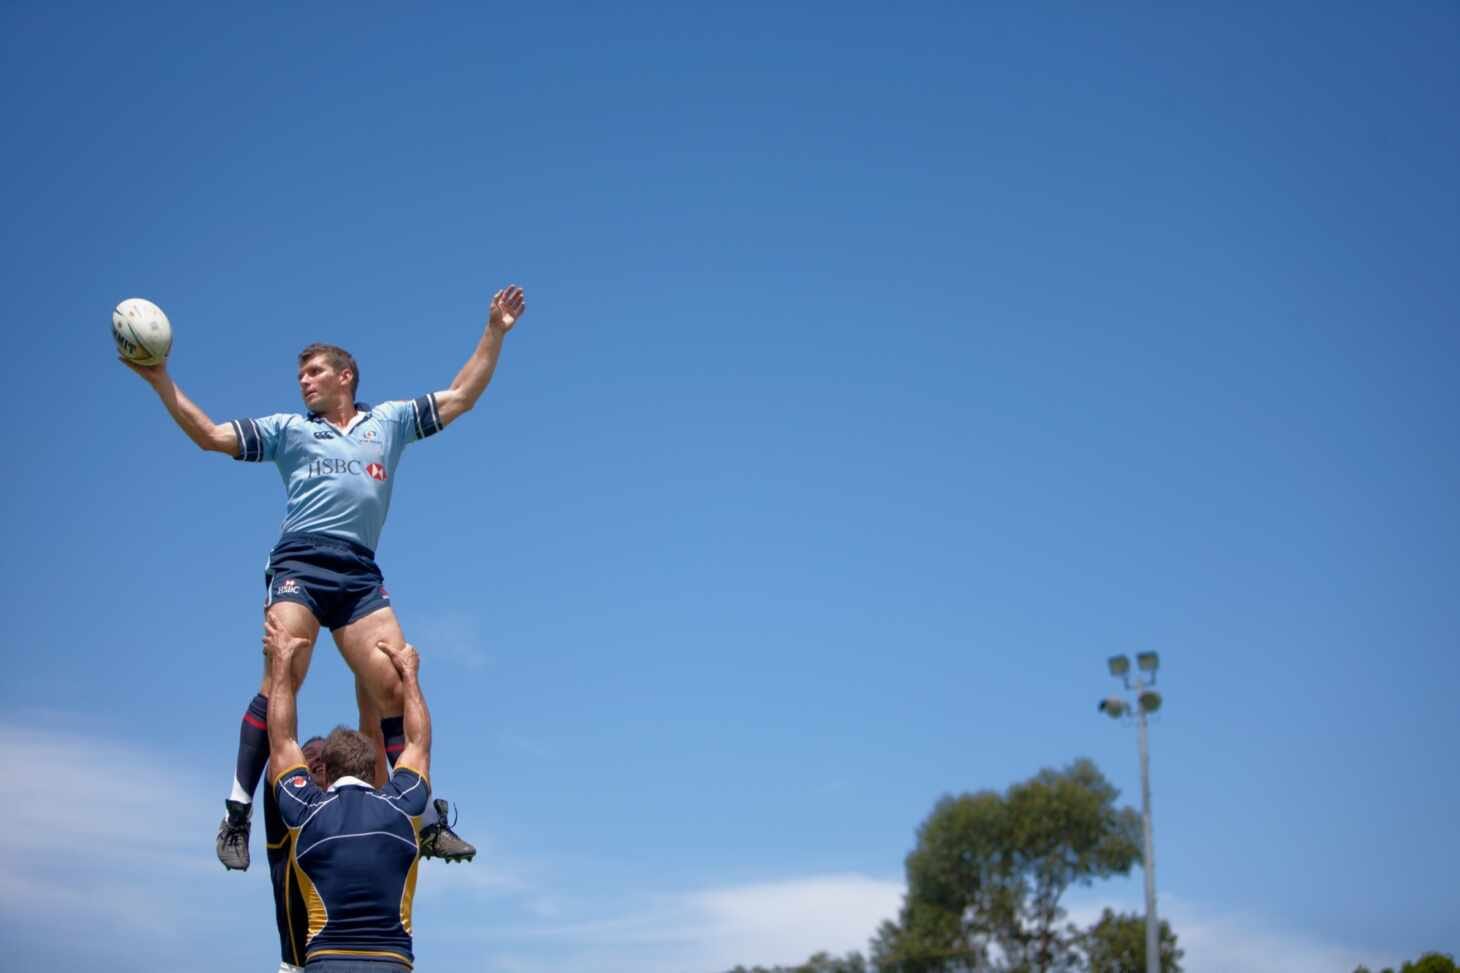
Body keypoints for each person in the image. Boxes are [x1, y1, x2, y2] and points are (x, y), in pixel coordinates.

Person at [122, 285, 525, 868]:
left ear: (346, 376)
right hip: (301, 565)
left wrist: (494, 331)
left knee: (395, 684)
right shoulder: (290, 429)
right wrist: (160, 378)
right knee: (283, 673)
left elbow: (462, 395)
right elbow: (209, 435)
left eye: (314, 372)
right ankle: (237, 812)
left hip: (358, 573)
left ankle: (422, 822)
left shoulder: (389, 422)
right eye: (301, 376)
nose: (304, 382)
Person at [265, 613, 433, 972]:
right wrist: (409, 676)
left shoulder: (306, 811)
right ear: (375, 769)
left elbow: (282, 740)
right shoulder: (402, 804)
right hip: (392, 963)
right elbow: (417, 742)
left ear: (325, 771)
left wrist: (281, 664)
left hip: (326, 962)